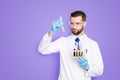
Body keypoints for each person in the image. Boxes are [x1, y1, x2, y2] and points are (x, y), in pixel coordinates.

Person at [38, 10, 104, 80]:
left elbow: (99, 70)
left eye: (77, 23)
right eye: (72, 23)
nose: (74, 26)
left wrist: (87, 67)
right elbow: (42, 49)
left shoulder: (93, 44)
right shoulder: (62, 41)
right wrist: (51, 32)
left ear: (84, 24)